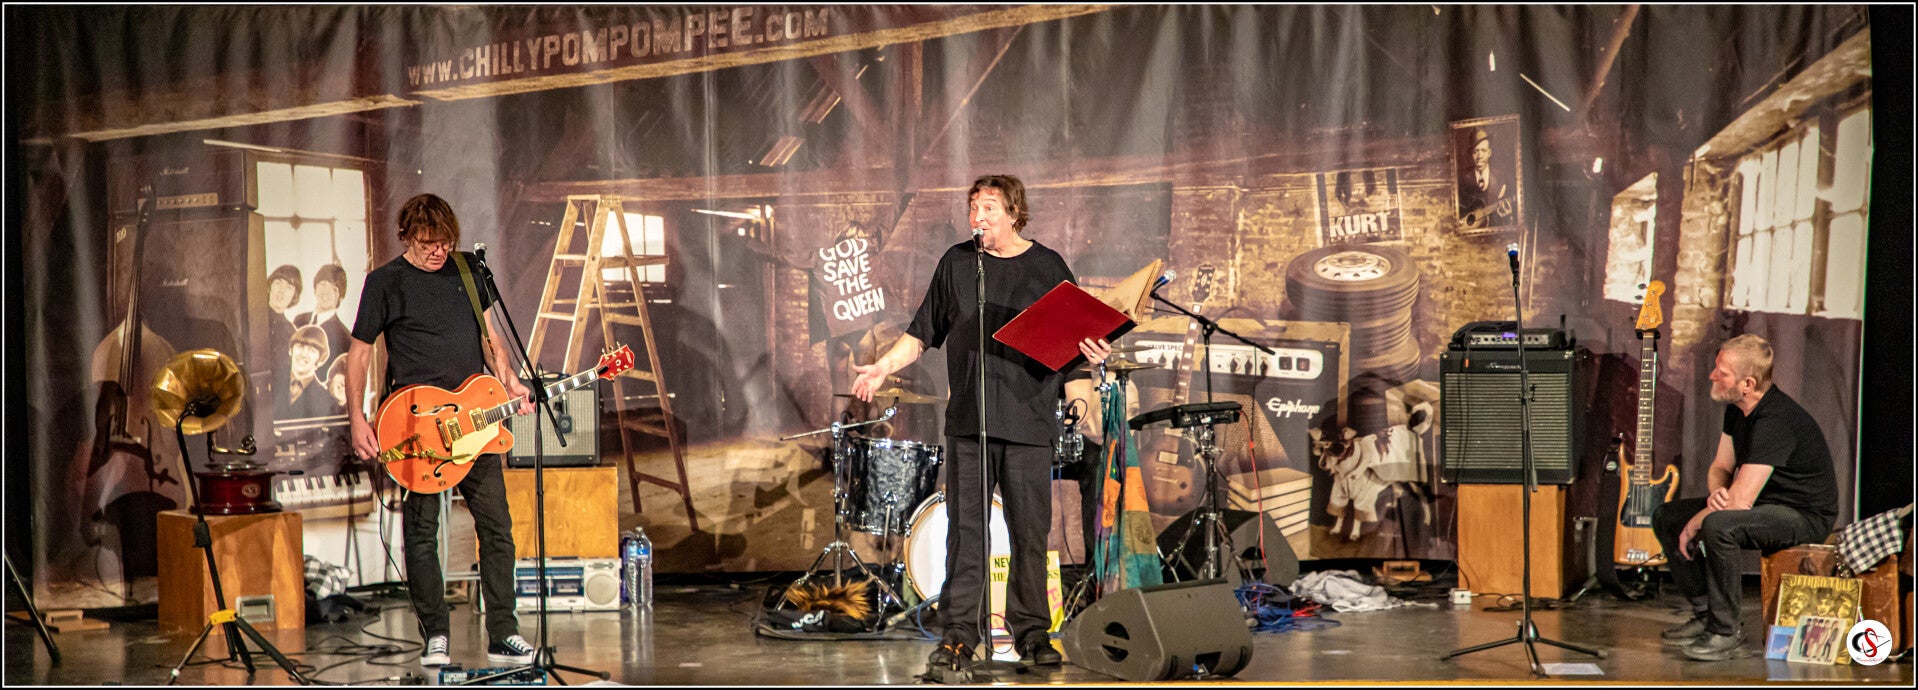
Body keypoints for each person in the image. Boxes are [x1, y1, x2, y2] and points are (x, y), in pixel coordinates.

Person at [850, 174, 1110, 681]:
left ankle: (1032, 633)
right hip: (970, 423)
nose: (978, 215)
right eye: (973, 206)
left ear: (1014, 212)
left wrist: (1086, 378)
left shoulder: (1047, 266)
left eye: (989, 206)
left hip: (1030, 420)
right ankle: (958, 636)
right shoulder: (957, 262)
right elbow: (921, 332)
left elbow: (1077, 345)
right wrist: (883, 366)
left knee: (1030, 532)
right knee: (966, 534)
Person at [345, 193, 537, 668]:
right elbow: (360, 353)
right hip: (417, 426)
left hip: (475, 420)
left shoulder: (469, 270)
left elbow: (490, 337)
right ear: (406, 236)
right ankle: (435, 634)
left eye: (445, 242)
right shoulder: (385, 282)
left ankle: (504, 632)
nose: (438, 252)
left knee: (497, 528)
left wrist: (509, 379)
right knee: (422, 532)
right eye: (428, 243)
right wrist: (357, 417)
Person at [1651, 334, 1838, 661]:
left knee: (1718, 526)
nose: (1712, 375)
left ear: (1748, 384)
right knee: (1667, 517)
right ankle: (1705, 613)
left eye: (1721, 372)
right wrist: (1717, 494)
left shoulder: (1774, 420)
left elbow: (1740, 503)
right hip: (1763, 503)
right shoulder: (1738, 411)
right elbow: (1721, 467)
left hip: (1803, 515)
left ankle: (1726, 633)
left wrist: (1695, 524)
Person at [296, 263, 353, 364]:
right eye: (323, 285)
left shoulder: (345, 338)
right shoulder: (299, 320)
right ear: (315, 289)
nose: (327, 292)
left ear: (341, 297)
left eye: (334, 289)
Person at [1458, 127, 1514, 228]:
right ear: (1471, 154)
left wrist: (1507, 217)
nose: (1479, 156)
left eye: (1483, 150)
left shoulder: (1502, 178)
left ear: (1489, 153)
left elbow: (1508, 220)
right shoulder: (1461, 177)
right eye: (1475, 151)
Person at [281, 325, 336, 419]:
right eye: (300, 346)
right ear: (290, 350)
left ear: (320, 360)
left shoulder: (326, 400)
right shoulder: (272, 382)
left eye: (312, 350)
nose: (304, 354)